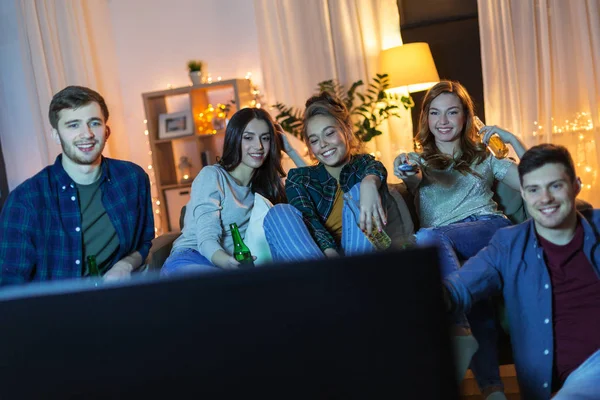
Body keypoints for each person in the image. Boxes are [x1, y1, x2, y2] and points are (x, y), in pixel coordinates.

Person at [393, 80, 528, 399]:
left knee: (426, 236)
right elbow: (409, 173)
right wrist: (404, 166)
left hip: (488, 229)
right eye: (435, 113)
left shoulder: (485, 155)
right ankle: (493, 389)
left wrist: (512, 141)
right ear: (425, 118)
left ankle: (456, 325)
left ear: (466, 117)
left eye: (452, 112)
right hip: (449, 249)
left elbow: (531, 182)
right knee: (471, 289)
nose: (443, 121)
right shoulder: (419, 161)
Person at [444, 144, 600, 400]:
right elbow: (458, 288)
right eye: (533, 189)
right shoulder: (509, 245)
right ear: (524, 195)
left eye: (555, 186)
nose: (545, 198)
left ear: (576, 186)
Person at [0, 85, 154, 285]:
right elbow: (9, 283)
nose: (87, 134)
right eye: (73, 125)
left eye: (94, 123)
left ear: (106, 131)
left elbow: (144, 242)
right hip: (55, 310)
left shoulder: (132, 179)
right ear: (56, 135)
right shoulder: (25, 200)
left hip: (117, 299)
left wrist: (125, 265)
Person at [264, 91, 411, 262]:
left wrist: (369, 183)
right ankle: (331, 279)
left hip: (364, 254)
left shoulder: (364, 166)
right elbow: (310, 221)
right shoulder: (300, 179)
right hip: (321, 261)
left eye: (329, 133)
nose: (323, 144)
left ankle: (346, 277)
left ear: (346, 132)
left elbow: (375, 167)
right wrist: (333, 262)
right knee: (278, 212)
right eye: (314, 140)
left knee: (357, 191)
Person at [160, 107, 287, 275]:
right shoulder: (213, 176)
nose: (259, 146)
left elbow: (304, 198)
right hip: (192, 257)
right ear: (235, 139)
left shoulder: (267, 187)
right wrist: (227, 264)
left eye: (265, 138)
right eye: (248, 138)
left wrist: (290, 150)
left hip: (230, 265)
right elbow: (206, 238)